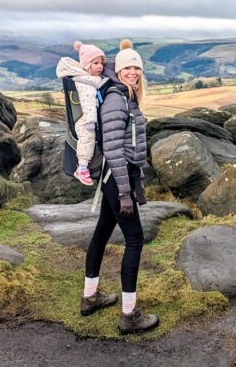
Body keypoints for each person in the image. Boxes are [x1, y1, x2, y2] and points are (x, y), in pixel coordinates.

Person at [80, 39, 159, 334]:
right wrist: (125, 192)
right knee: (135, 240)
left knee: (102, 231)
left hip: (117, 177)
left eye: (137, 67)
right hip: (118, 177)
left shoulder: (126, 95)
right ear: (119, 68)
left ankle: (90, 298)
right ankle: (129, 316)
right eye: (127, 67)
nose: (133, 72)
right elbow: (113, 148)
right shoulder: (116, 98)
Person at [55, 41, 107, 185]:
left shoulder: (89, 79)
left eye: (101, 63)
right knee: (87, 138)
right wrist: (91, 121)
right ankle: (82, 167)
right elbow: (88, 102)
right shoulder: (86, 82)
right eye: (96, 63)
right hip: (85, 120)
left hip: (86, 117)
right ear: (86, 65)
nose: (100, 66)